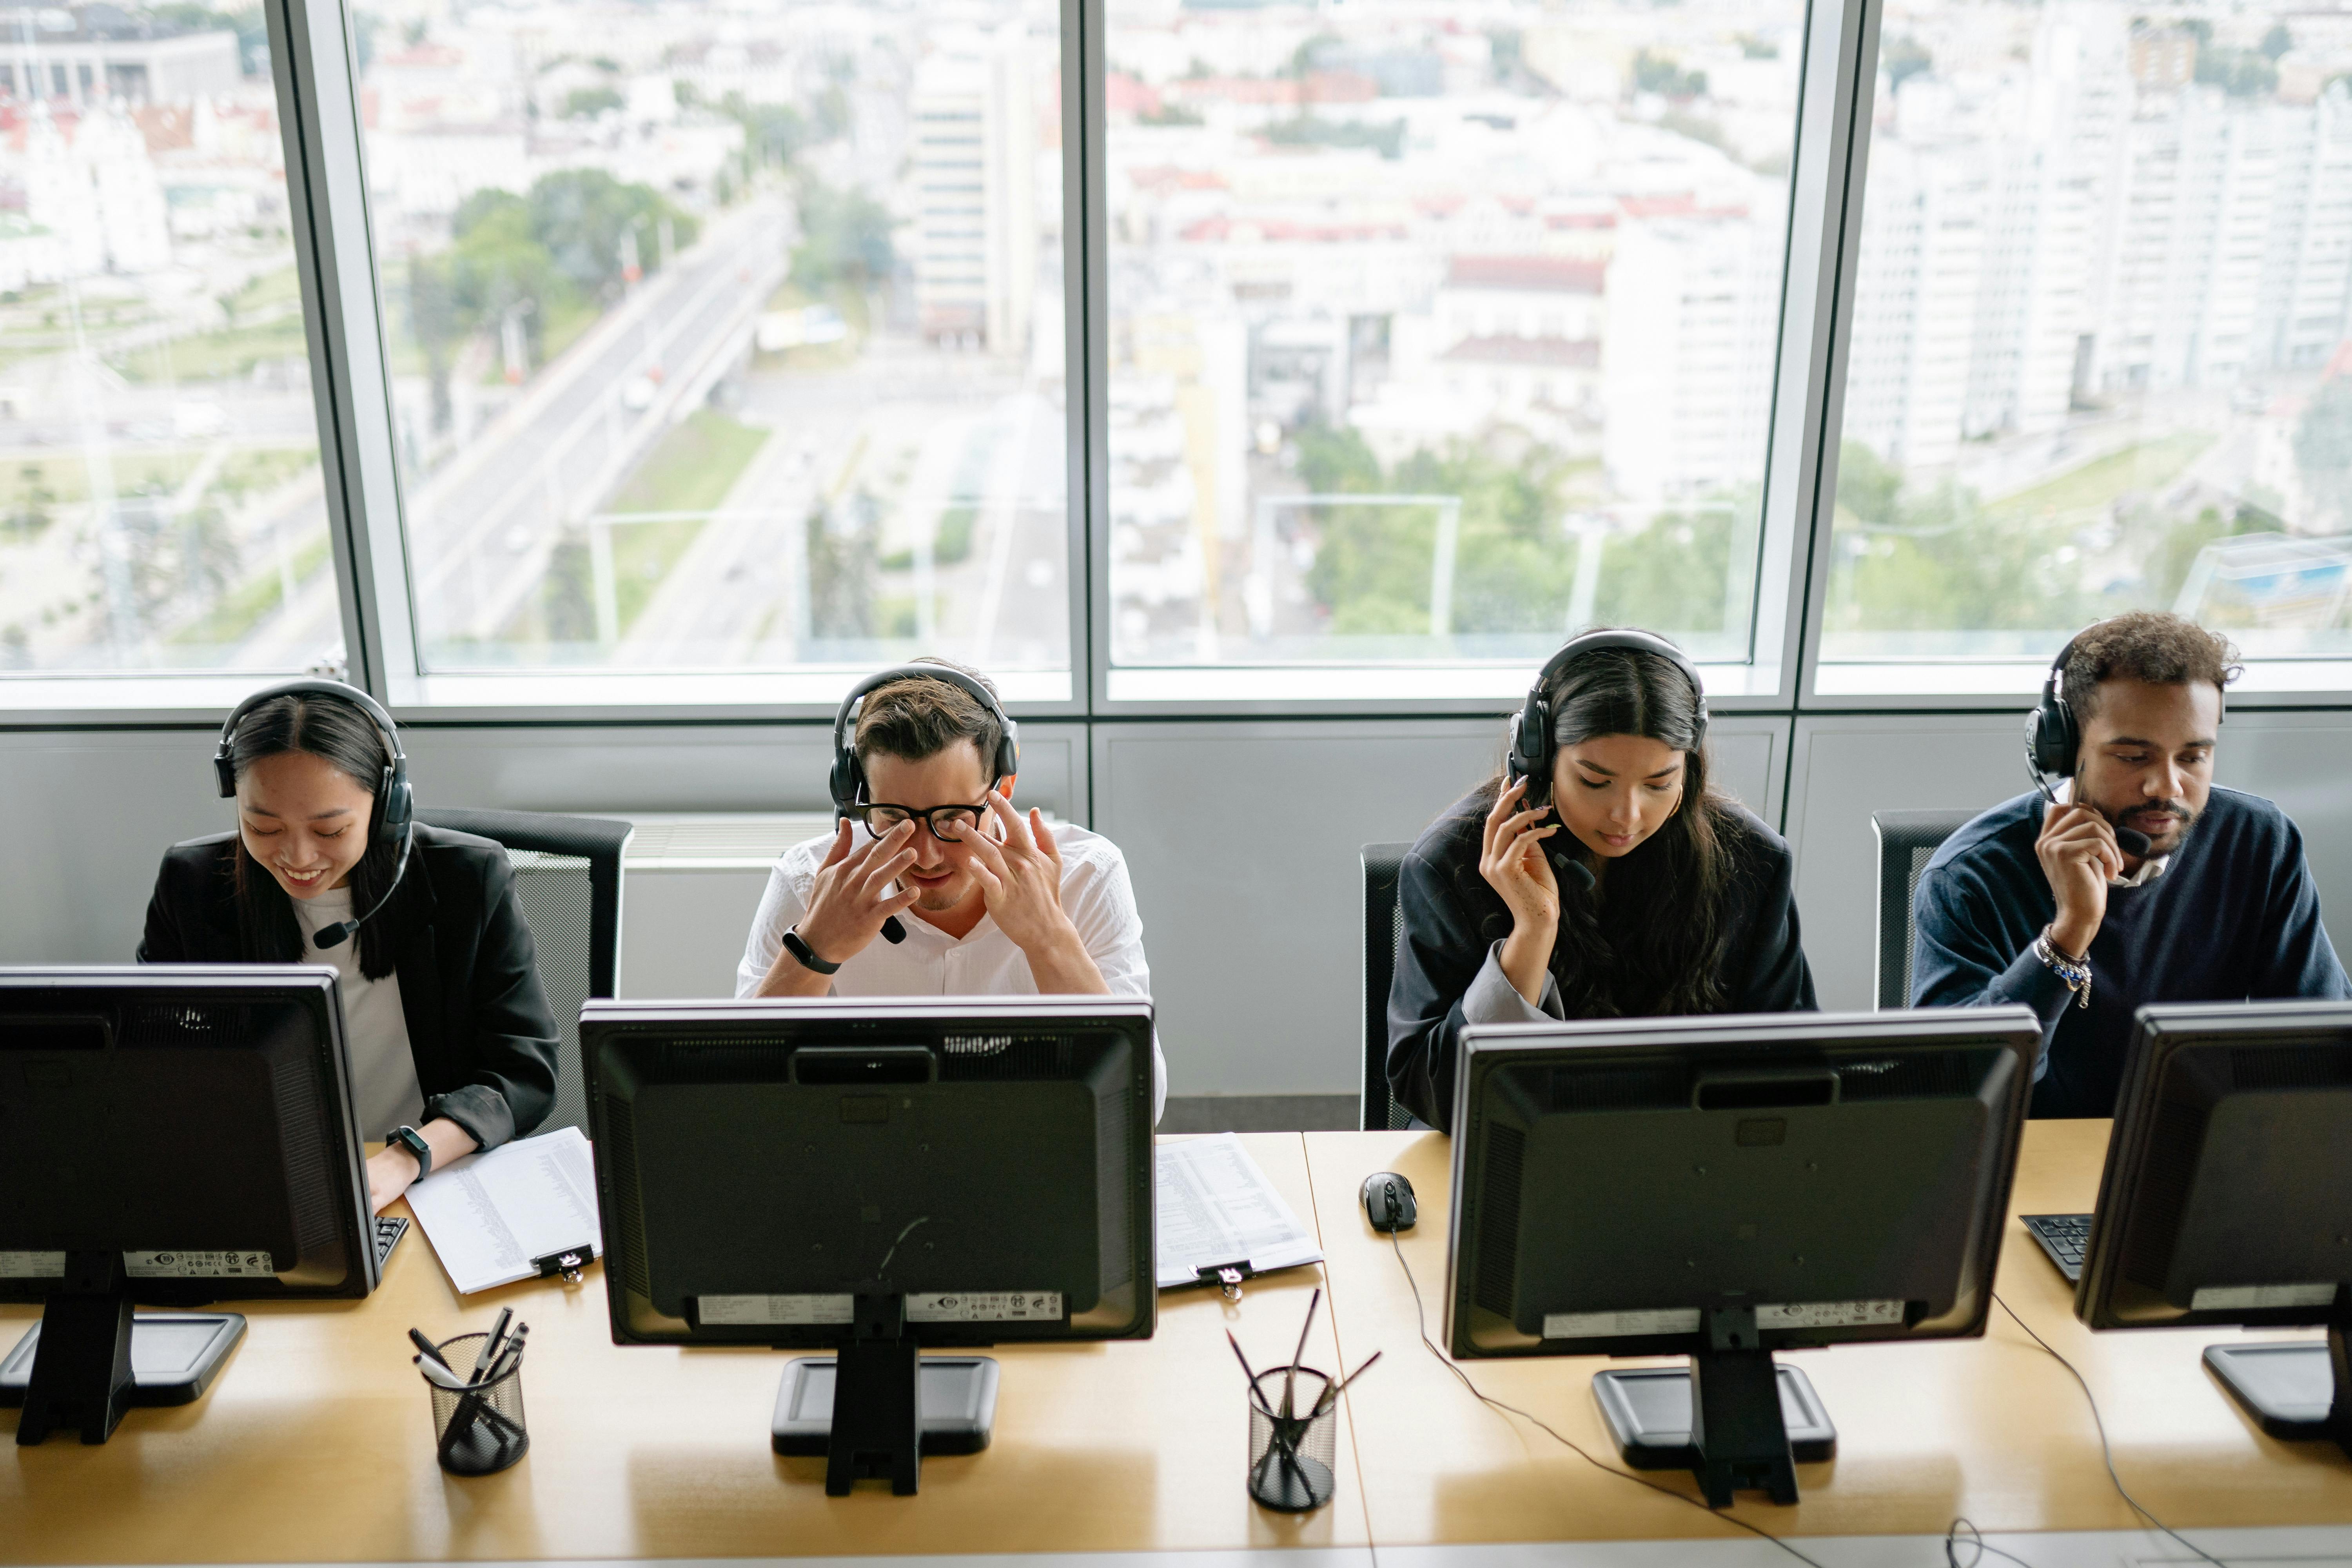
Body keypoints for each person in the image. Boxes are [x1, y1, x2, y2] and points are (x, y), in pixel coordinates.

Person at [139, 681, 560, 1214]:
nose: (297, 856)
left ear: (387, 807)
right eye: (262, 826)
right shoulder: (193, 886)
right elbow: (151, 1062)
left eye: (331, 831)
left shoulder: (466, 880)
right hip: (267, 1180)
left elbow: (524, 1071)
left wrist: (408, 1158)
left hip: (430, 1178)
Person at [1911, 612, 2349, 1117]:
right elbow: (1954, 1091)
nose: (2166, 786)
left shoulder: (2257, 842)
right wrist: (2069, 934)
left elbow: (2321, 1041)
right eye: (2133, 757)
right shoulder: (1970, 876)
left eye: (2192, 758)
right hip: (2033, 1166)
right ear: (2065, 750)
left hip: (2196, 1159)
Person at [1388, 630, 1816, 1129]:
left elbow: (1793, 1066)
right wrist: (1531, 935)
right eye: (1594, 781)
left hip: (1681, 1156)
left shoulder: (1752, 862)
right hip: (1512, 1147)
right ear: (1540, 759)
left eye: (1659, 783)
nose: (1626, 815)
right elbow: (1437, 1096)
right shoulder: (1450, 863)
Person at [737, 659, 1166, 1122]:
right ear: (856, 797)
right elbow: (739, 1097)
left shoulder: (1089, 876)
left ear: (1004, 785)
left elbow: (1141, 1106)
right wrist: (813, 950)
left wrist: (1049, 939)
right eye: (895, 819)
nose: (925, 855)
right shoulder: (807, 883)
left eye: (953, 818)